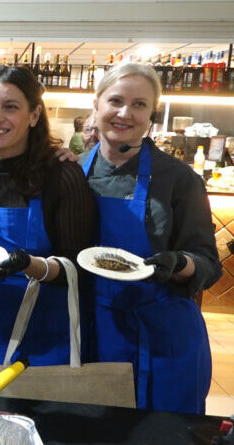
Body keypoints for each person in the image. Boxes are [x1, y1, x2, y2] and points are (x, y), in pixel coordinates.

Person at [81, 62, 219, 414]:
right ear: (97, 106)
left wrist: (179, 264)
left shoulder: (179, 179)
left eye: (139, 104)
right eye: (115, 101)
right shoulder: (70, 174)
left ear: (151, 115)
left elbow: (206, 261)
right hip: (92, 330)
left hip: (164, 336)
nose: (125, 113)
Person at [0, 66, 96, 367]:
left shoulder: (63, 175)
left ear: (34, 116)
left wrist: (34, 266)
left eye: (11, 107)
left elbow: (80, 266)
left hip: (45, 336)